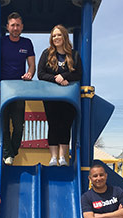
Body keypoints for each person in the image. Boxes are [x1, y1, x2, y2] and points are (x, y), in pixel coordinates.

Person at [0, 12, 35, 165]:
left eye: (18, 25)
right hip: (1, 88)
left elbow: (32, 65)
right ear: (7, 27)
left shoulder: (27, 43)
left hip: (18, 89)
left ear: (22, 27)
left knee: (19, 126)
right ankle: (7, 154)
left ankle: (13, 151)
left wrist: (30, 73)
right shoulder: (0, 42)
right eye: (12, 25)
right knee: (3, 124)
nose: (15, 28)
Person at [38, 25, 82, 167]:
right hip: (51, 96)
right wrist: (55, 79)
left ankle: (63, 158)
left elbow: (78, 73)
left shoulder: (74, 55)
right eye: (54, 36)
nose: (56, 38)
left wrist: (64, 76)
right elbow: (41, 74)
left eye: (59, 35)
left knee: (65, 125)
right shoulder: (47, 54)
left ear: (64, 37)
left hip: (68, 96)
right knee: (53, 124)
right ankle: (53, 157)